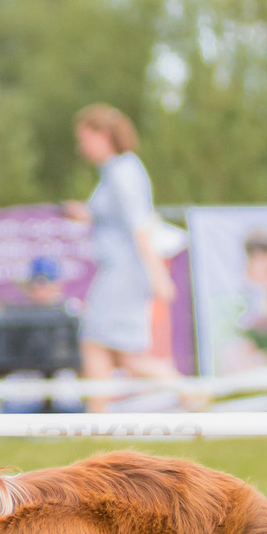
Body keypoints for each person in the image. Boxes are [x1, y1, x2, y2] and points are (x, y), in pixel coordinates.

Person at [61, 104, 179, 410]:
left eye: (85, 138)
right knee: (121, 355)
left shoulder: (122, 172)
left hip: (124, 271)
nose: (81, 147)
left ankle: (97, 418)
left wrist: (159, 277)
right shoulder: (118, 170)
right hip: (121, 269)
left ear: (103, 135)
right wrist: (87, 215)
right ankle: (99, 418)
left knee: (97, 341)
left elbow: (141, 226)